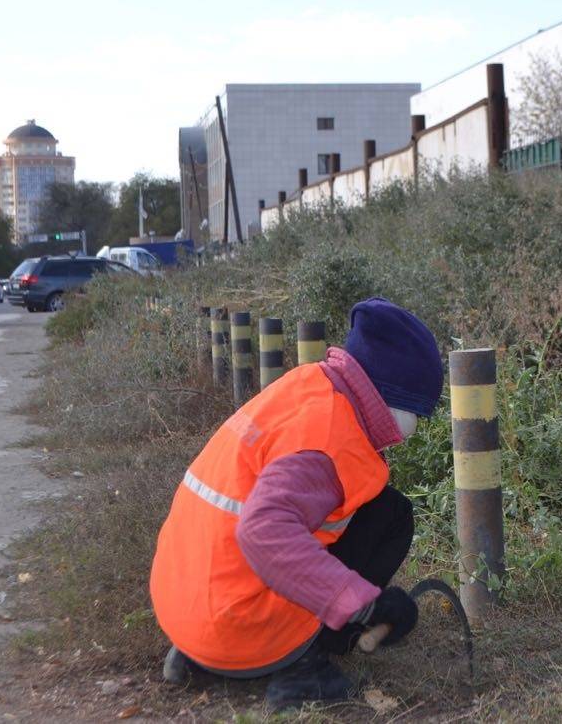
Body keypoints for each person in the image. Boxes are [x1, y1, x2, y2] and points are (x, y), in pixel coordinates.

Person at [149, 297, 443, 708]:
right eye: (416, 415)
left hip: (186, 608)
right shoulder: (329, 441)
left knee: (377, 505)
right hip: (236, 623)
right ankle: (301, 667)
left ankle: (202, 656)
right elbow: (263, 530)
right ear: (395, 403)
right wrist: (364, 605)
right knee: (391, 515)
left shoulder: (307, 386)